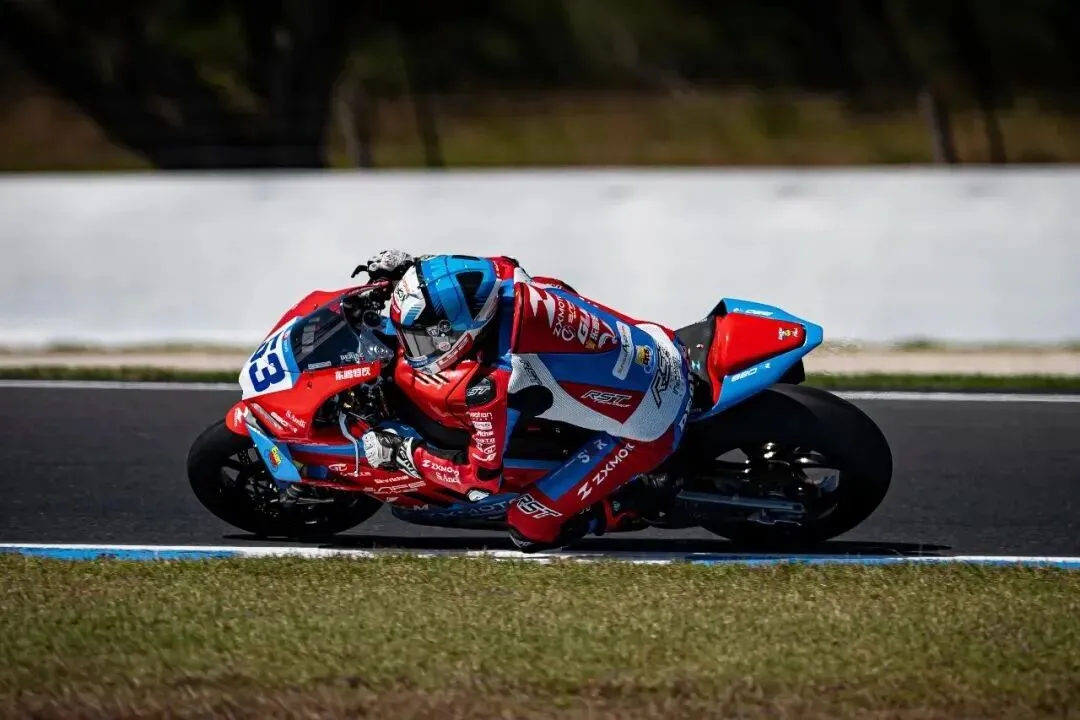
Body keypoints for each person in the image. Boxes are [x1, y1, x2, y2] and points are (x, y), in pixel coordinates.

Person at [357, 249, 692, 552]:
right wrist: (409, 271)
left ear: (466, 332)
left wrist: (403, 453)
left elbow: (479, 483)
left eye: (422, 342)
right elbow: (460, 275)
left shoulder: (497, 380)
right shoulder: (504, 277)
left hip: (652, 424)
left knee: (528, 524)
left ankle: (632, 501)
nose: (416, 352)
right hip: (658, 342)